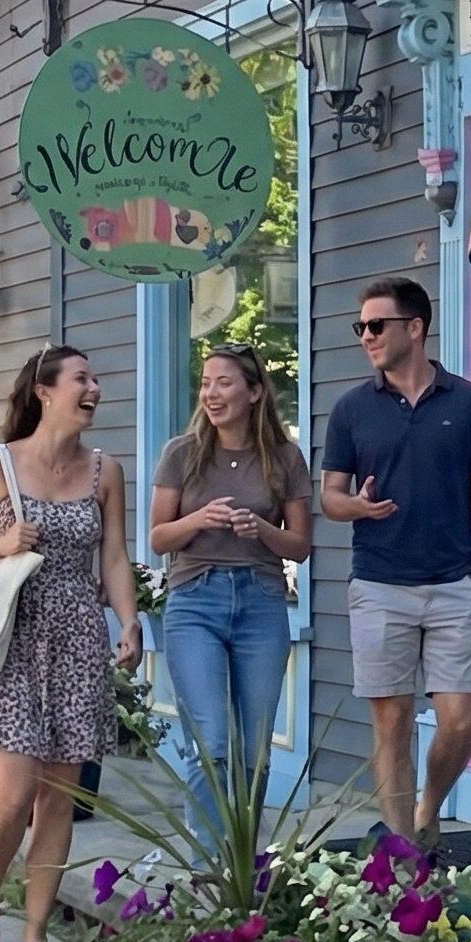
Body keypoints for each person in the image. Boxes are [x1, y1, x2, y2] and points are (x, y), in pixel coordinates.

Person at [0, 346, 142, 942]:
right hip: (11, 639)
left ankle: (34, 938)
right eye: (83, 378)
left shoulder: (105, 471)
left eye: (96, 378)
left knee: (60, 796)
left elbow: (112, 557)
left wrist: (128, 621)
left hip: (78, 639)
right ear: (45, 392)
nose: (94, 388)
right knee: (16, 793)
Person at [321, 277, 471, 850]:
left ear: (415, 327)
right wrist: (358, 506)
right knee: (392, 723)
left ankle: (429, 808)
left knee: (459, 723)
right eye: (361, 328)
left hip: (455, 584)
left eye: (377, 325)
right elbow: (329, 497)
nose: (367, 337)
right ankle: (401, 853)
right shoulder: (352, 409)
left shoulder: (470, 403)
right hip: (378, 583)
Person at [149, 344, 313, 844]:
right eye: (205, 383)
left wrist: (261, 528)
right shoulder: (182, 453)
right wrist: (199, 519)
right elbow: (157, 538)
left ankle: (242, 855)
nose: (211, 393)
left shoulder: (284, 457)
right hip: (195, 601)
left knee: (255, 750)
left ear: (255, 392)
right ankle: (207, 863)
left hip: (261, 601)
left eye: (224, 382)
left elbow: (301, 546)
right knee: (212, 744)